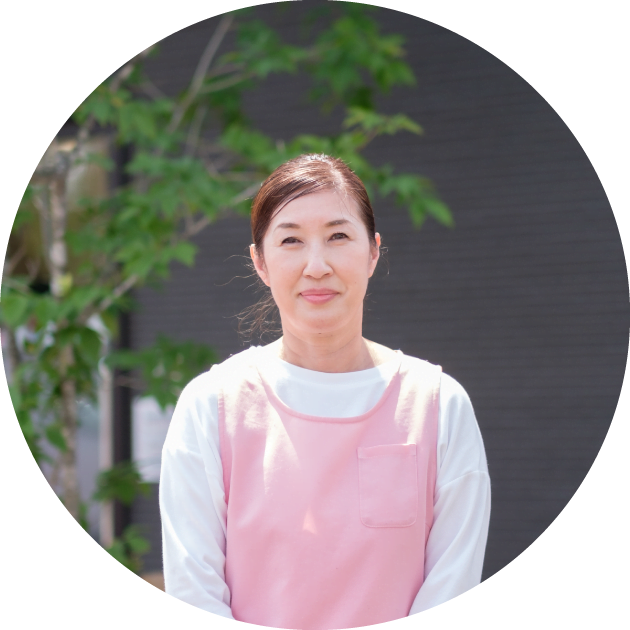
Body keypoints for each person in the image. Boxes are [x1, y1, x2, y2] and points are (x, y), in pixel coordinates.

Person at [159, 154, 491, 630]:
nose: (316, 266)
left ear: (373, 252)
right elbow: (195, 597)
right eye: (291, 240)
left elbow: (451, 601)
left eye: (338, 237)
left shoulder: (438, 406)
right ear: (260, 262)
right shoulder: (211, 406)